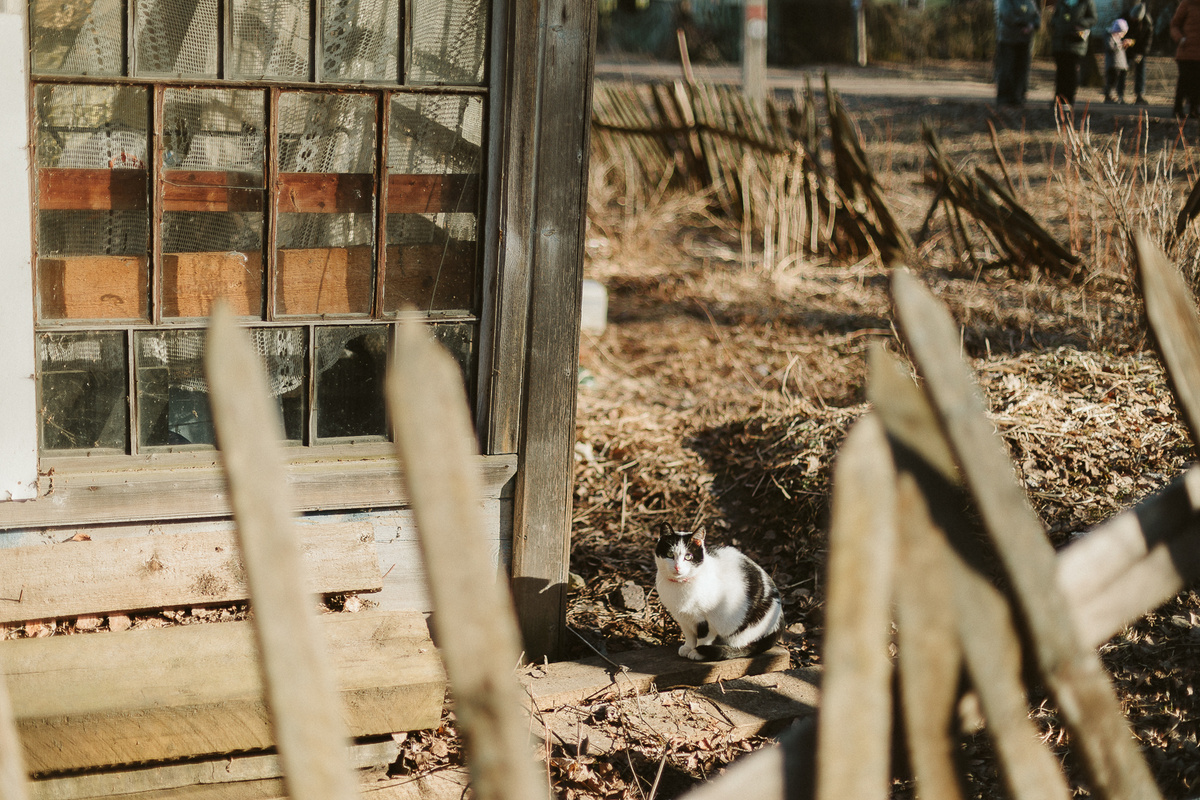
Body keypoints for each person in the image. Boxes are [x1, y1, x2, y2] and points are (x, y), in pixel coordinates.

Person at [1051, 0, 1099, 112]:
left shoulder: (1086, 2)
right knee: (1060, 72)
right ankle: (1058, 100)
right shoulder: (1062, 2)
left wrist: (1080, 23)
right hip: (1060, 43)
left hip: (1075, 43)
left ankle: (1068, 101)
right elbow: (1054, 18)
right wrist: (1058, 24)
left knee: (1071, 72)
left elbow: (1093, 19)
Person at [996, 0, 1044, 107]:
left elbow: (1037, 17)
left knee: (1022, 70)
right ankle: (1005, 97)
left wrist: (1032, 25)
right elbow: (1007, 15)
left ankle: (1019, 96)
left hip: (1025, 41)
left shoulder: (1030, 2)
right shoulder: (1006, 1)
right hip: (1008, 40)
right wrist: (1025, 24)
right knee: (1007, 68)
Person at [1172, 0, 1200, 117]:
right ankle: (1178, 109)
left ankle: (1194, 110)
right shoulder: (1187, 4)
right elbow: (1174, 25)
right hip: (1186, 52)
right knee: (1184, 81)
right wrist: (1180, 38)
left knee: (1197, 83)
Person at [1122, 3, 1154, 103]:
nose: (1133, 20)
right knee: (1122, 70)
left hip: (1139, 48)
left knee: (1140, 70)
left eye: (1135, 19)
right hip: (1126, 47)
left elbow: (1147, 41)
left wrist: (1142, 53)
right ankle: (1120, 94)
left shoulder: (1147, 22)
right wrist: (1124, 41)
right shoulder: (1125, 16)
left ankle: (1139, 94)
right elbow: (1118, 30)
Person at [1104, 18, 1131, 102]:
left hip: (1122, 64)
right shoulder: (1109, 36)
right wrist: (1121, 45)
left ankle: (1120, 96)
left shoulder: (1118, 38)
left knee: (1121, 81)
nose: (1122, 35)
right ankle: (1109, 96)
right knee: (1112, 81)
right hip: (1113, 64)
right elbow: (1110, 47)